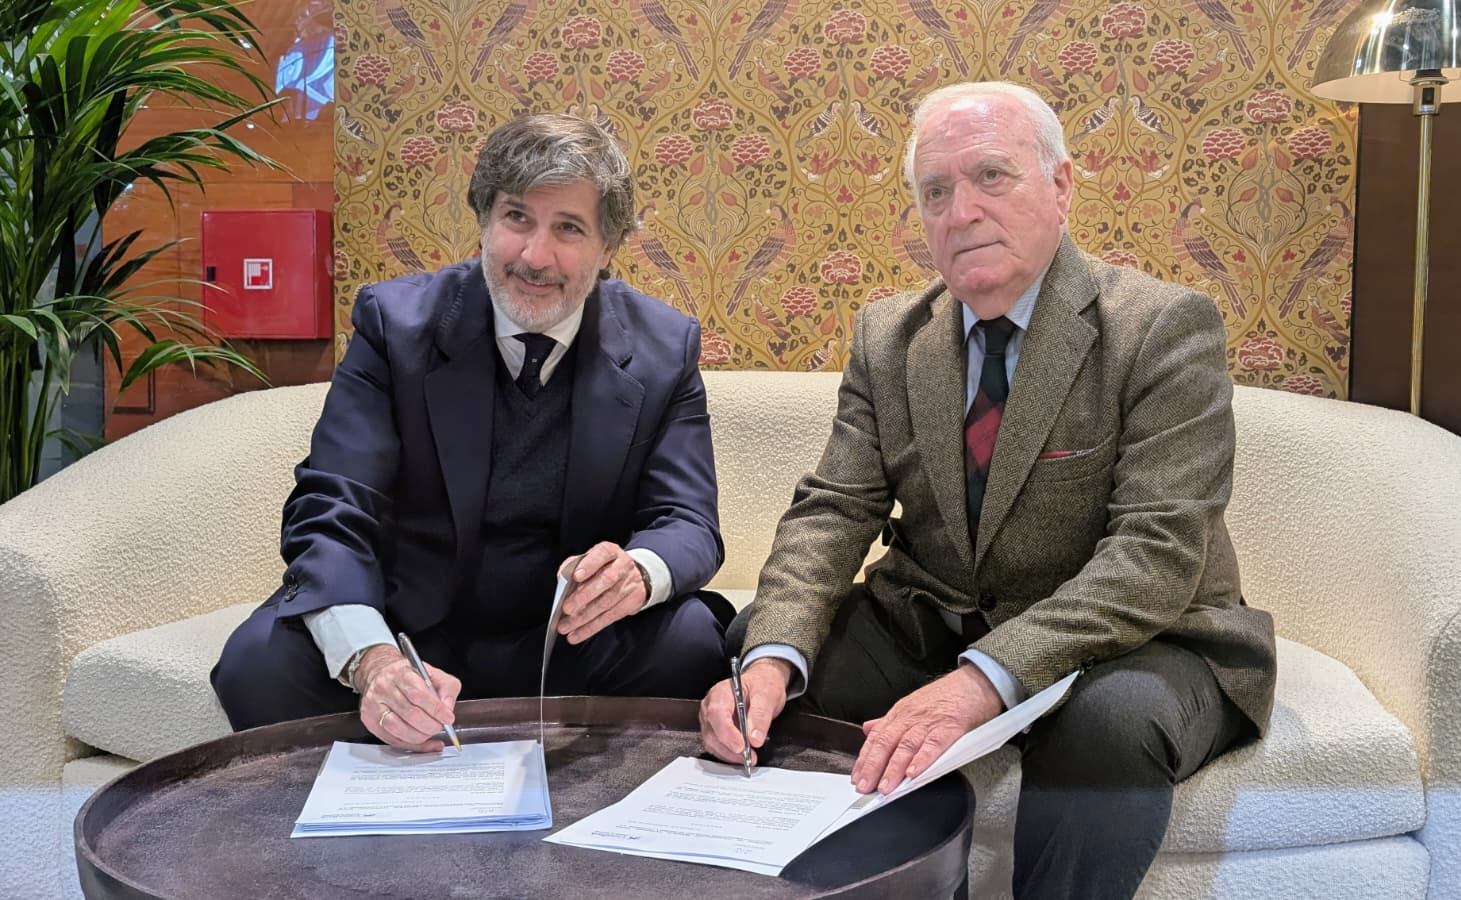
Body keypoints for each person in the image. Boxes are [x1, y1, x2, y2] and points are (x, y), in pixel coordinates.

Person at [699, 82, 1277, 900]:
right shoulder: (890, 336)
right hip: (935, 618)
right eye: (936, 192)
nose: (961, 212)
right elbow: (835, 507)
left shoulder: (1161, 327)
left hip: (1138, 641)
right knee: (762, 657)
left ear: (1061, 186)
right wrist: (770, 656)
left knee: (1108, 729)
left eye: (991, 177)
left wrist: (983, 680)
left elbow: (1157, 554)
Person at [214, 113, 730, 751]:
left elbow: (687, 520)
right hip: (411, 629)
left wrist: (637, 573)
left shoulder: (663, 346)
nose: (535, 257)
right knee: (258, 666)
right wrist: (374, 662)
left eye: (568, 228)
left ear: (607, 249)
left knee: (691, 643)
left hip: (569, 639)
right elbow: (333, 505)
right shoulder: (394, 325)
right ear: (484, 220)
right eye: (517, 218)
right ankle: (388, 751)